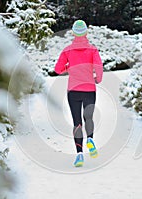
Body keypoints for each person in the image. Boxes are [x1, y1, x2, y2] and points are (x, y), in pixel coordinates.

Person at [54, 20, 103, 167]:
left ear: (74, 33)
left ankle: (80, 155)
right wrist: (97, 79)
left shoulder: (67, 50)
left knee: (77, 122)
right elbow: (98, 67)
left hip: (73, 91)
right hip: (89, 89)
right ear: (86, 33)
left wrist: (69, 66)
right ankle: (90, 139)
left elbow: (58, 69)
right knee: (88, 117)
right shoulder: (93, 49)